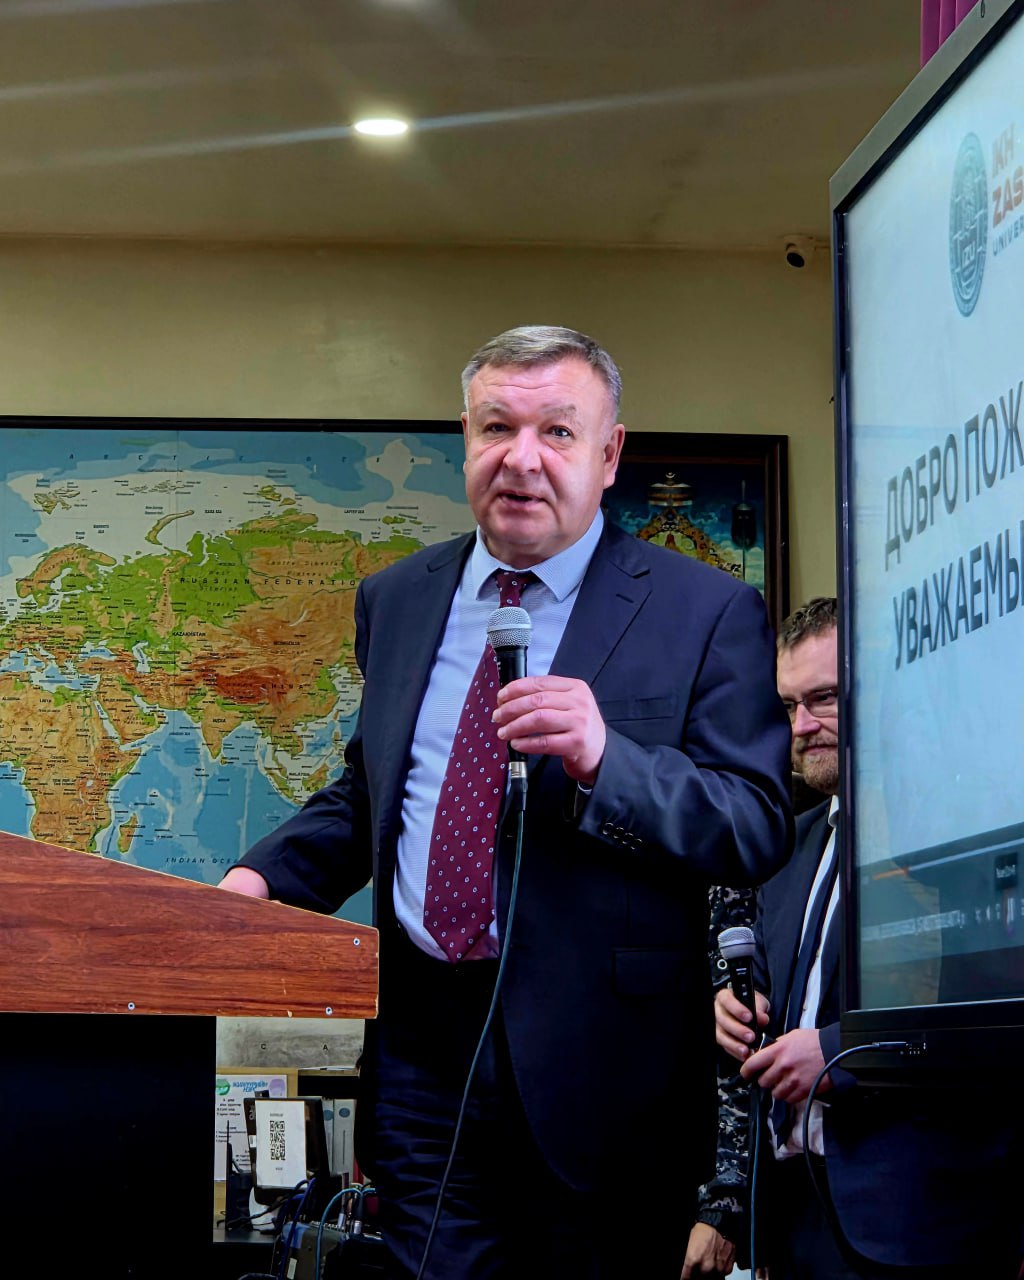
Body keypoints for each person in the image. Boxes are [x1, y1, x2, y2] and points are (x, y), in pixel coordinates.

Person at [221, 325, 793, 1280]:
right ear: (466, 439)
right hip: (423, 1062)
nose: (522, 459)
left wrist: (608, 758)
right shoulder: (398, 599)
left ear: (609, 454)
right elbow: (376, 791)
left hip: (606, 1081)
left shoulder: (704, 612)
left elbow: (754, 823)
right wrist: (259, 882)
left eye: (558, 432)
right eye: (497, 427)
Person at [715, 596, 1021, 1280]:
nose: (802, 726)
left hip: (917, 1226)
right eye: (789, 705)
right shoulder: (790, 845)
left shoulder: (967, 830)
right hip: (796, 1217)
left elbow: (987, 1011)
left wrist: (834, 1051)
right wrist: (731, 1007)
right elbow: (773, 981)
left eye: (823, 698)